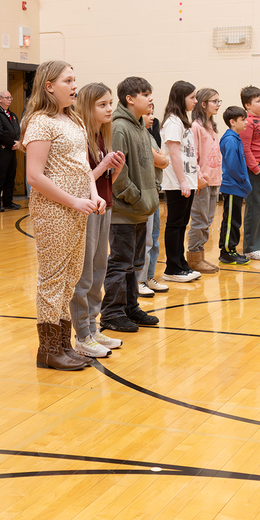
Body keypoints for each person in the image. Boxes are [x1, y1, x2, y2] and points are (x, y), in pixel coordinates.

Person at [21, 61, 103, 371]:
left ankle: (63, 345)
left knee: (70, 278)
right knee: (52, 279)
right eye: (67, 80)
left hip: (78, 209)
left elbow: (83, 166)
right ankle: (48, 349)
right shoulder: (40, 122)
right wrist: (73, 201)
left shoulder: (75, 120)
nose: (73, 86)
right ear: (49, 86)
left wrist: (93, 195)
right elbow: (34, 176)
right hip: (54, 211)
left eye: (74, 80)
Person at [69, 82, 125, 359]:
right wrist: (103, 166)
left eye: (110, 103)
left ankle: (92, 326)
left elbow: (104, 181)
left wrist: (115, 169)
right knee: (84, 274)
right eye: (102, 104)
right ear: (87, 107)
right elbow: (78, 181)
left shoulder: (102, 136)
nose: (109, 109)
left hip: (105, 207)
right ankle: (82, 335)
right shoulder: (80, 137)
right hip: (85, 210)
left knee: (99, 271)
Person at [100, 77, 159, 335]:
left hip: (140, 210)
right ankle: (112, 312)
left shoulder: (140, 126)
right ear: (130, 99)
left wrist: (150, 195)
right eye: (146, 94)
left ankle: (130, 306)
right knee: (120, 262)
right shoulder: (120, 128)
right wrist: (135, 196)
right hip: (124, 211)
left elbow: (150, 165)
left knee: (134, 263)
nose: (151, 99)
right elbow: (118, 172)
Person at [159, 80, 200, 282]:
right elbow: (174, 154)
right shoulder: (173, 122)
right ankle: (172, 268)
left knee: (182, 223)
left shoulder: (183, 121)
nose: (195, 101)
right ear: (180, 98)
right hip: (176, 182)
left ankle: (180, 262)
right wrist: (183, 181)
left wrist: (195, 176)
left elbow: (188, 154)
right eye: (192, 97)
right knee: (175, 224)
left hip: (187, 180)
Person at [188, 87, 222, 273]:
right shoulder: (196, 127)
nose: (218, 105)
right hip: (202, 181)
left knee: (207, 220)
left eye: (219, 101)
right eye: (214, 101)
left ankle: (199, 256)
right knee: (199, 220)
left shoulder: (211, 126)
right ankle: (193, 256)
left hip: (214, 179)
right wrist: (199, 178)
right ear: (203, 104)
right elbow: (193, 156)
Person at [137, 106, 169, 296]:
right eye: (148, 113)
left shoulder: (149, 135)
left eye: (152, 113)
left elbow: (162, 159)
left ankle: (149, 277)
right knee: (146, 240)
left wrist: (160, 158)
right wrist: (160, 158)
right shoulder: (138, 135)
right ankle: (139, 280)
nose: (152, 117)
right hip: (145, 192)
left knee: (154, 239)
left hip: (154, 190)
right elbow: (160, 160)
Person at [238, 85, 260, 260]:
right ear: (247, 105)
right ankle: (250, 247)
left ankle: (257, 244)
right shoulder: (248, 122)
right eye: (257, 101)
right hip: (256, 170)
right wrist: (257, 169)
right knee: (254, 208)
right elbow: (245, 149)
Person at [218, 106, 251, 264]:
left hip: (236, 186)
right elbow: (233, 165)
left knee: (234, 219)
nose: (246, 122)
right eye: (242, 119)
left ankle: (230, 249)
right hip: (233, 185)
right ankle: (227, 251)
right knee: (231, 220)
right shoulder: (230, 139)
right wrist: (244, 180)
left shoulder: (235, 137)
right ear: (232, 122)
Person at [0, 90, 22, 212]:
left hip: (12, 150)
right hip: (1, 150)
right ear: (0, 99)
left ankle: (8, 201)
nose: (9, 99)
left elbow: (16, 130)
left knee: (10, 177)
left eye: (10, 97)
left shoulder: (12, 115)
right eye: (6, 97)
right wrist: (12, 143)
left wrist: (18, 142)